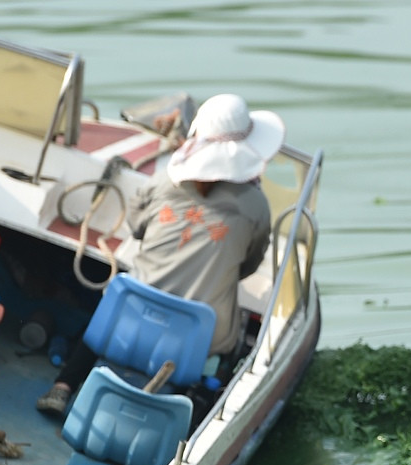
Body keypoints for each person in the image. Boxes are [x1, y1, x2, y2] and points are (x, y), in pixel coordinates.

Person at [37, 93, 282, 418]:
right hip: (197, 337)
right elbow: (248, 266)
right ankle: (186, 410)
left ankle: (64, 385)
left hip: (130, 318)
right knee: (229, 338)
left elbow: (137, 227)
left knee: (109, 309)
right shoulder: (256, 206)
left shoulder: (165, 180)